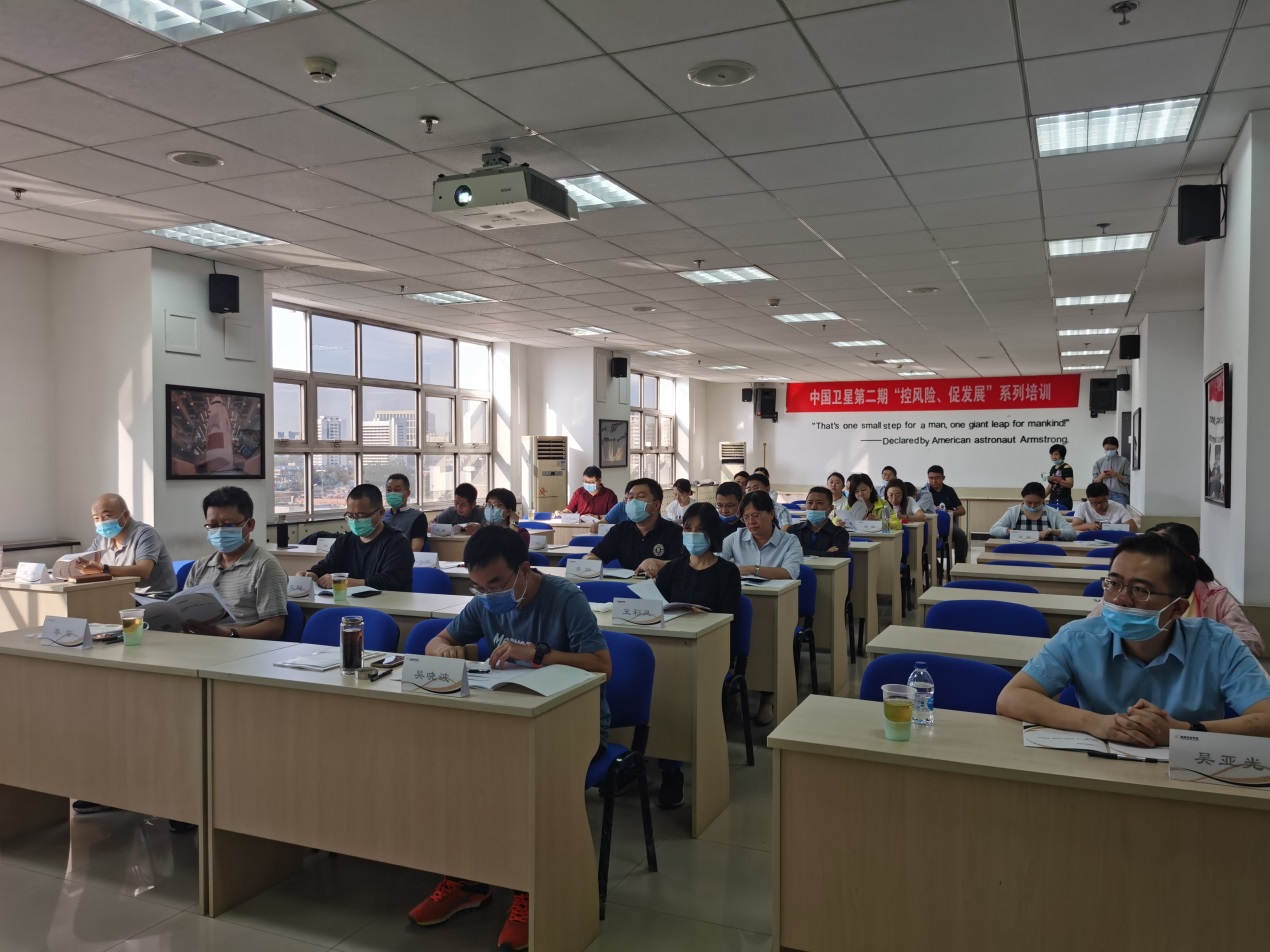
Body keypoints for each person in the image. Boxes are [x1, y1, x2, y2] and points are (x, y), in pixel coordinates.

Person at [410, 526, 612, 949]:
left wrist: (537, 653)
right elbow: (438, 640)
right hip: (506, 716)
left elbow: (601, 666)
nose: (488, 594)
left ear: (524, 569)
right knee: (450, 771)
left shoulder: (565, 598)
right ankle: (467, 880)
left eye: (497, 584)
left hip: (572, 724)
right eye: (479, 587)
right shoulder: (484, 602)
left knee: (517, 782)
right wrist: (444, 650)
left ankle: (530, 889)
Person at [997, 534, 1270, 744]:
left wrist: (1184, 731)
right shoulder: (1079, 637)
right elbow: (1012, 697)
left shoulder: (1218, 644)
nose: (1120, 599)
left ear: (1177, 608)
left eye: (1140, 590)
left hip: (1192, 776)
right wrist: (1097, 723)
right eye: (1114, 583)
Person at [653, 503, 741, 807]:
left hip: (709, 651)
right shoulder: (672, 569)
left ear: (713, 534)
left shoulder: (727, 572)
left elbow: (728, 618)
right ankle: (648, 759)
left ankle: (672, 768)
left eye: (700, 529)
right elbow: (657, 610)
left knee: (676, 692)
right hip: (670, 650)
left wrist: (704, 617)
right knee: (654, 687)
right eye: (688, 528)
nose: (692, 535)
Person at [1099, 523, 1261, 657]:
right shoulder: (1118, 596)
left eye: (1140, 589)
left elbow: (1252, 641)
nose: (1121, 599)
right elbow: (1094, 629)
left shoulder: (1214, 597)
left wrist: (1199, 649)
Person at [721, 491, 803, 725]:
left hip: (776, 607)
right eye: (746, 517)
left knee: (768, 641)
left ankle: (768, 697)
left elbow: (789, 573)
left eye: (756, 515)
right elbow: (718, 567)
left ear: (771, 514)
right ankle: (732, 692)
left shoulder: (789, 541)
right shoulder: (734, 539)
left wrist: (750, 569)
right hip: (738, 603)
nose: (751, 522)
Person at [182, 486, 288, 639]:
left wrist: (228, 633)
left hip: (241, 646)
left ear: (250, 525)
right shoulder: (200, 566)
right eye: (213, 526)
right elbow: (184, 611)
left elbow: (275, 627)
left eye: (229, 525)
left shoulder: (265, 566)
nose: (220, 531)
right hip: (198, 643)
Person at [298, 484, 413, 592]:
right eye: (350, 516)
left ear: (381, 513)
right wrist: (312, 575)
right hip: (349, 601)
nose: (355, 520)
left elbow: (389, 581)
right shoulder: (344, 541)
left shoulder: (398, 543)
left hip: (387, 603)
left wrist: (344, 582)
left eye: (361, 516)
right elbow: (326, 566)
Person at [75, 493, 177, 593]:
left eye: (106, 516)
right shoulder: (102, 539)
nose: (101, 522)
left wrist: (102, 569)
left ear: (125, 515)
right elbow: (83, 561)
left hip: (151, 598)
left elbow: (143, 571)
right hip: (122, 596)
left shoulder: (146, 534)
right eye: (96, 518)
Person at [588, 478, 683, 576]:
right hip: (627, 584)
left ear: (656, 505)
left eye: (641, 496)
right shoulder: (620, 530)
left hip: (660, 585)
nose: (634, 502)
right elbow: (595, 555)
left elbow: (683, 566)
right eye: (630, 497)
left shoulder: (675, 532)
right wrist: (589, 560)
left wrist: (658, 564)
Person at [988, 482, 1077, 541]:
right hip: (1018, 551)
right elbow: (993, 530)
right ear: (1023, 499)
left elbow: (1072, 533)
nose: (1032, 506)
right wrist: (1010, 531)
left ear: (1043, 499)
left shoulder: (1052, 513)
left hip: (1045, 553)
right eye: (1028, 503)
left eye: (1037, 503)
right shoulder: (1013, 512)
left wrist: (1053, 531)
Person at [788, 487, 850, 556]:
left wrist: (802, 551)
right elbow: (788, 552)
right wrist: (825, 553)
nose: (813, 507)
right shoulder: (793, 530)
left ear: (831, 508)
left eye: (819, 503)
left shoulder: (840, 533)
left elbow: (837, 555)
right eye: (810, 503)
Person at [381, 473, 429, 552]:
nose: (392, 493)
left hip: (403, 558)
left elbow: (415, 549)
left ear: (408, 493)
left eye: (397, 490)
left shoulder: (417, 517)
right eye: (389, 490)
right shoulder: (382, 516)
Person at [1072, 483, 1139, 533]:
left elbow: (1134, 528)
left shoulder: (1118, 507)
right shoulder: (1083, 507)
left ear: (1108, 497)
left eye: (1103, 501)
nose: (1099, 506)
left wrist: (1111, 528)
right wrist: (1088, 526)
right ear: (1088, 499)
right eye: (1094, 502)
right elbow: (1074, 527)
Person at [1092, 436, 1131, 505]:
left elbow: (1129, 480)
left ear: (1117, 448)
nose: (1109, 451)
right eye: (1107, 449)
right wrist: (1101, 477)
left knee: (1120, 512)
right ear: (1103, 447)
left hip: (1119, 496)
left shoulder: (1124, 461)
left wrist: (1117, 475)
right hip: (1103, 496)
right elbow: (1094, 481)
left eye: (1112, 449)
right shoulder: (1099, 462)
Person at [1046, 444, 1074, 510]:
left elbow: (1070, 484)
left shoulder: (1066, 467)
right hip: (1052, 499)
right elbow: (1050, 485)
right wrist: (1040, 497)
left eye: (1056, 454)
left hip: (1063, 500)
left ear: (1062, 455)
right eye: (1051, 454)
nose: (1053, 457)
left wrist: (1057, 480)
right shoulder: (1053, 468)